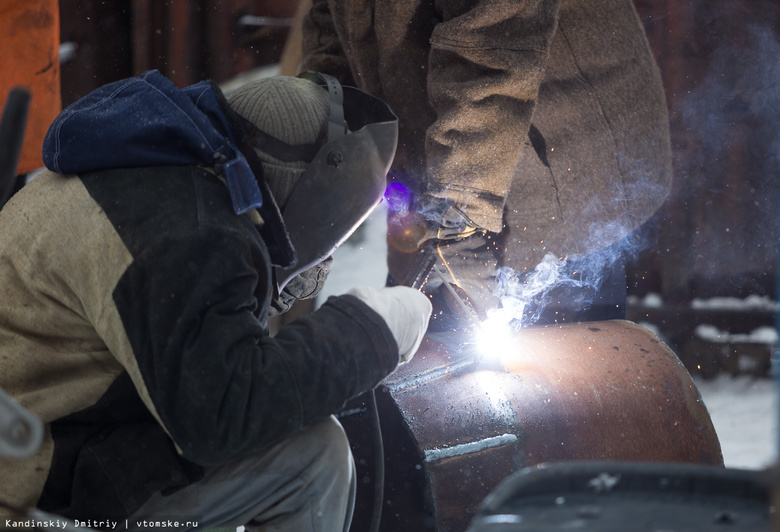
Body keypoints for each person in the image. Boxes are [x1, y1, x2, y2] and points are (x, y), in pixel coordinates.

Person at [0, 70, 432, 531]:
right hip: (31, 502)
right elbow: (224, 415)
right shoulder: (190, 235)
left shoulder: (152, 168)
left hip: (57, 438)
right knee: (313, 457)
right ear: (297, 184)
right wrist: (368, 331)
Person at [300, 0, 673, 324]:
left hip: (550, 159)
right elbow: (330, 26)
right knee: (413, 369)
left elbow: (491, 52)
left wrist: (458, 219)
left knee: (555, 389)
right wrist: (324, 158)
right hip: (428, 163)